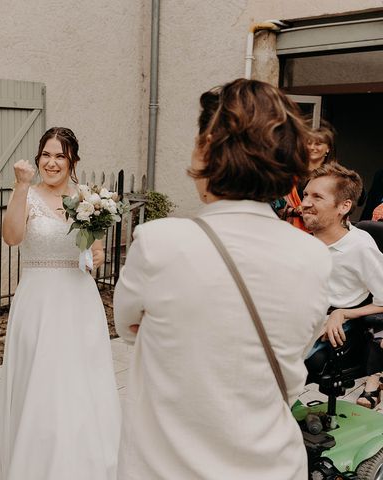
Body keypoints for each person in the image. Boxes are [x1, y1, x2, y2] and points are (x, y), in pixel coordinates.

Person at [114, 79, 331, 480]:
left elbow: (127, 328)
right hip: (273, 466)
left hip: (166, 467)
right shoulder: (316, 257)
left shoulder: (159, 242)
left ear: (207, 149)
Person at [0, 127, 120, 480]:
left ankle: (80, 460)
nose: (51, 162)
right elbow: (11, 237)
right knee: (42, 378)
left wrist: (96, 257)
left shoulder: (88, 199)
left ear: (72, 161)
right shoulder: (28, 195)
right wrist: (20, 187)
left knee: (80, 378)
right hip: (39, 301)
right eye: (46, 155)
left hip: (78, 300)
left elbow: (96, 249)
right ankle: (37, 460)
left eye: (59, 156)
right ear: (37, 159)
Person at [300, 164, 383, 408]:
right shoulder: (304, 242)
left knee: (273, 365)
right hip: (301, 314)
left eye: (317, 197)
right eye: (305, 194)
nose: (305, 203)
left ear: (344, 207)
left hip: (332, 321)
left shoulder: (360, 247)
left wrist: (343, 312)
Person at [274, 123, 335, 231]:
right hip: (289, 230)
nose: (312, 147)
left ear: (328, 148)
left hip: (322, 233)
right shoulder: (291, 173)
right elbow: (277, 204)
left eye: (318, 144)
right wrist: (294, 211)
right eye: (309, 143)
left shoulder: (334, 175)